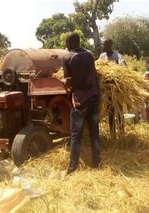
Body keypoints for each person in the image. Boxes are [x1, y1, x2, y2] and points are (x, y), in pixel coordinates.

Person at [63, 32, 101, 174]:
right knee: (94, 133)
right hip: (94, 97)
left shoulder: (67, 57)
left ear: (71, 43)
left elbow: (68, 81)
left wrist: (66, 87)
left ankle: (72, 168)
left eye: (67, 43)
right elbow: (95, 76)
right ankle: (97, 163)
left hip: (80, 101)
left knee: (75, 135)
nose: (66, 46)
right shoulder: (90, 55)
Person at [99, 38, 126, 137]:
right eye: (102, 44)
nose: (102, 46)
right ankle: (112, 133)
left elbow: (123, 65)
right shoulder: (102, 56)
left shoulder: (117, 56)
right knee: (110, 112)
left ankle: (122, 133)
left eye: (104, 44)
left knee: (119, 111)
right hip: (107, 90)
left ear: (110, 45)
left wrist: (121, 67)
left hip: (116, 89)